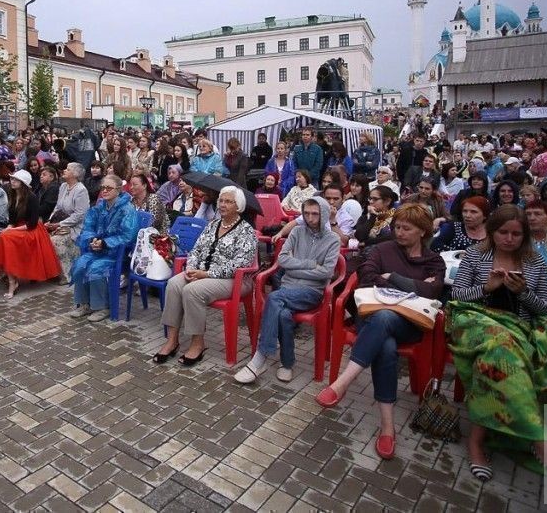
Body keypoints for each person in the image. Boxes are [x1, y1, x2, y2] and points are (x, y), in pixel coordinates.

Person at [447, 205, 547, 482]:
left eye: (516, 234)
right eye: (503, 232)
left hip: (517, 328)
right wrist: (487, 287)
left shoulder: (534, 263)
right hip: (474, 322)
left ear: (525, 236)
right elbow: (456, 297)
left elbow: (545, 309)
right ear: (493, 232)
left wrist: (523, 293)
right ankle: (538, 437)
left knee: (502, 354)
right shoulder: (475, 256)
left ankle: (477, 440)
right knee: (500, 344)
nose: (509, 239)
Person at [314, 204, 446, 459]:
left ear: (422, 231)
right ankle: (388, 425)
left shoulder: (433, 261)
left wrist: (393, 277)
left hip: (409, 323)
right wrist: (414, 286)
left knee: (387, 318)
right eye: (397, 227)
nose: (399, 232)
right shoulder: (382, 249)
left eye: (406, 228)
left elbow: (432, 292)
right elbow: (367, 277)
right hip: (372, 316)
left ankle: (342, 383)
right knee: (385, 344)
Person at [234, 196, 340, 383]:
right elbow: (282, 260)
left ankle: (260, 358)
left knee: (274, 298)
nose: (310, 218)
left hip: (312, 292)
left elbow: (326, 273)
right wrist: (310, 264)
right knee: (282, 314)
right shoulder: (297, 232)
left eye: (315, 214)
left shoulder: (332, 239)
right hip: (289, 287)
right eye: (306, 213)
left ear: (323, 214)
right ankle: (287, 363)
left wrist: (296, 267)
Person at [153, 187, 258, 366]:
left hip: (232, 280)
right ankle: (172, 340)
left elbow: (240, 264)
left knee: (193, 291)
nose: (223, 205)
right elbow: (196, 251)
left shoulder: (246, 231)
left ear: (238, 206)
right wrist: (192, 269)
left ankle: (197, 344)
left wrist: (206, 274)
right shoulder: (212, 225)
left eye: (228, 201)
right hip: (201, 274)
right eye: (221, 201)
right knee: (174, 284)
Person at [70, 175, 137, 322]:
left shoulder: (127, 209)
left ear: (118, 190)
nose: (105, 191)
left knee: (95, 267)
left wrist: (105, 243)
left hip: (118, 253)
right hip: (97, 249)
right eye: (103, 187)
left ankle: (103, 307)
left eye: (109, 188)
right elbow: (88, 227)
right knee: (80, 264)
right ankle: (85, 304)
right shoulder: (99, 207)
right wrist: (92, 240)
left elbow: (128, 236)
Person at [0, 169, 62, 299]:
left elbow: (32, 224)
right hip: (18, 228)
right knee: (2, 237)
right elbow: (12, 221)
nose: (12, 181)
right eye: (12, 179)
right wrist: (9, 228)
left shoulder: (31, 197)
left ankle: (8, 278)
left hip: (32, 230)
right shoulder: (12, 195)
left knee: (5, 237)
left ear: (23, 183)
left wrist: (11, 230)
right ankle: (10, 278)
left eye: (16, 179)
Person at [46, 163, 91, 285]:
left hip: (76, 227)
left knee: (55, 240)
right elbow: (58, 207)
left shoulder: (81, 190)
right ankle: (50, 271)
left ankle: (66, 274)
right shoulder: (63, 186)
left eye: (68, 169)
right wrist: (50, 221)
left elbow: (79, 215)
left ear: (75, 174)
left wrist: (60, 224)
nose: (64, 170)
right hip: (60, 222)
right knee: (41, 237)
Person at [352, 186, 398, 253]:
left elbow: (393, 237)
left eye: (375, 199)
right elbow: (360, 236)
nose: (370, 201)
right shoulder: (365, 217)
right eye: (370, 198)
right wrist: (373, 216)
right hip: (366, 255)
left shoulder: (396, 217)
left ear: (387, 201)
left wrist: (366, 242)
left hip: (388, 253)